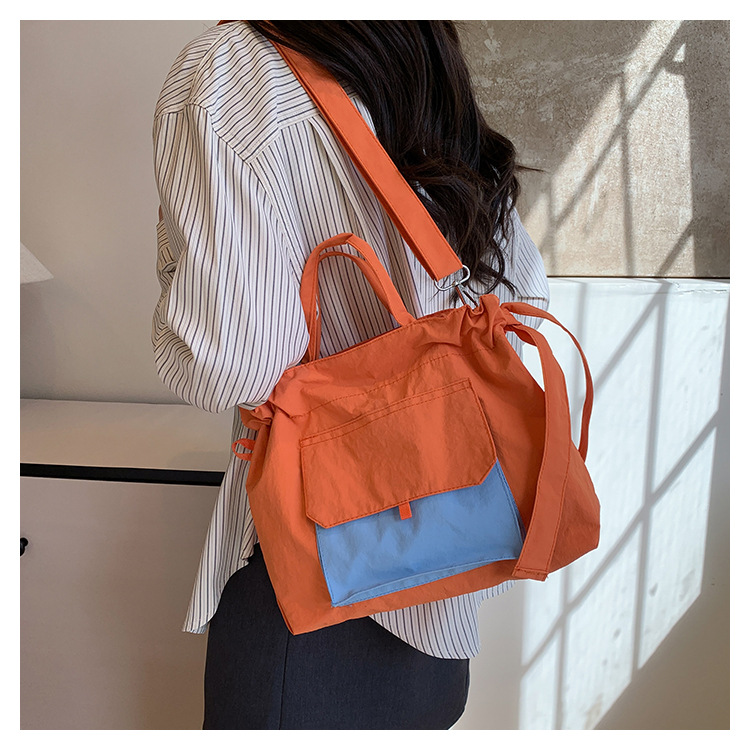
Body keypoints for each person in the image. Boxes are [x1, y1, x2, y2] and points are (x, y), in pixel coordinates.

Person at [151, 20, 550, 730]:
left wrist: (171, 302)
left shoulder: (226, 70)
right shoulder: (409, 38)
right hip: (444, 584)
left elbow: (234, 362)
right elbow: (522, 294)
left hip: (314, 599)